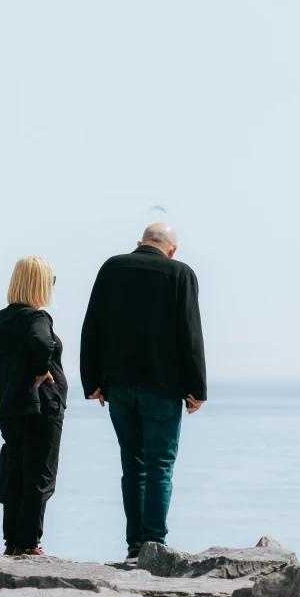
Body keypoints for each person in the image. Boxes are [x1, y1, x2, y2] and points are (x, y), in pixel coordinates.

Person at [80, 224, 207, 561]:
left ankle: (135, 547)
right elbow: (190, 333)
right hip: (163, 387)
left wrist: (91, 381)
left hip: (118, 386)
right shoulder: (180, 273)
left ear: (140, 243)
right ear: (172, 249)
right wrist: (197, 388)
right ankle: (154, 544)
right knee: (160, 465)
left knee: (132, 464)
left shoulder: (112, 267)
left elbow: (92, 325)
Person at [0, 256, 67, 556]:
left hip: (11, 408)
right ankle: (31, 543)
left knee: (17, 471)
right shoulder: (36, 318)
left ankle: (13, 542)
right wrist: (41, 373)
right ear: (40, 284)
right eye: (52, 280)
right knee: (41, 476)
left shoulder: (1, 320)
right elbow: (42, 344)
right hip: (42, 406)